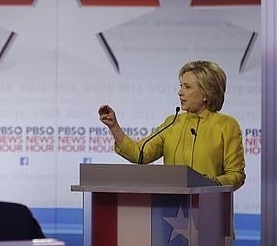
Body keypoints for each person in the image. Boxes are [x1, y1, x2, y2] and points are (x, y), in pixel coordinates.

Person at [98, 60, 245, 189]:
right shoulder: (173, 123)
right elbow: (140, 154)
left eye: (187, 87)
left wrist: (211, 184)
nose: (180, 92)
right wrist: (114, 127)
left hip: (209, 206)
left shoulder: (226, 125)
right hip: (170, 208)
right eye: (181, 86)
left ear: (207, 93)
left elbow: (236, 175)